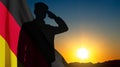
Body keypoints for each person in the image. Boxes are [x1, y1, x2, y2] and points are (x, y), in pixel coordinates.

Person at [17, 2, 68, 67]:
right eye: (40, 11)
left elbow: (64, 28)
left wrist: (55, 17)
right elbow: (21, 46)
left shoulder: (48, 28)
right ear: (35, 12)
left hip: (45, 62)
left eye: (43, 11)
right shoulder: (27, 26)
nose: (41, 13)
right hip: (31, 62)